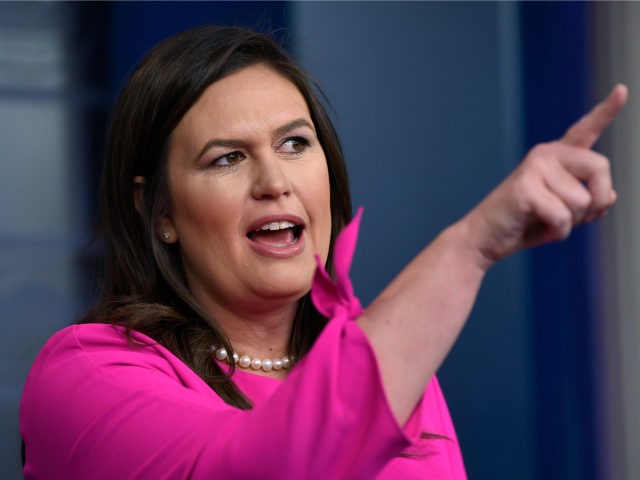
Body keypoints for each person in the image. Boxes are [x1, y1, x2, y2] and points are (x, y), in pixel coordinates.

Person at [19, 25, 627, 479]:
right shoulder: (86, 372)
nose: (274, 181)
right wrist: (470, 247)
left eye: (294, 143)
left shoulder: (385, 358)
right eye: (226, 158)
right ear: (159, 211)